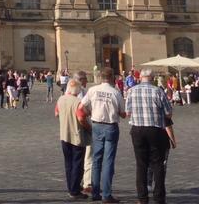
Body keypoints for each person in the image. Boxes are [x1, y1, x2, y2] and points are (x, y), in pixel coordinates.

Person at [124, 68, 173, 204]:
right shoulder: (158, 91)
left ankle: (142, 198)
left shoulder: (131, 91)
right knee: (157, 164)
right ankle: (158, 198)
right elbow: (168, 113)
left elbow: (127, 112)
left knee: (141, 165)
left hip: (137, 130)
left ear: (140, 77)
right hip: (155, 130)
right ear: (152, 78)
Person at [81, 67, 125, 203]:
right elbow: (123, 114)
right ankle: (106, 194)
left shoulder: (92, 90)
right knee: (108, 161)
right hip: (111, 127)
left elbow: (81, 107)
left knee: (96, 159)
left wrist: (90, 111)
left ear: (100, 77)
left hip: (96, 126)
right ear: (112, 77)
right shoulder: (115, 92)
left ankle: (95, 193)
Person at [55, 78, 89, 199]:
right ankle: (74, 191)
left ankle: (71, 186)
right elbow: (81, 119)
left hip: (64, 135)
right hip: (76, 136)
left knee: (68, 163)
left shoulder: (60, 99)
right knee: (77, 164)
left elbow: (56, 114)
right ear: (78, 89)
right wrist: (89, 128)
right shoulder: (78, 102)